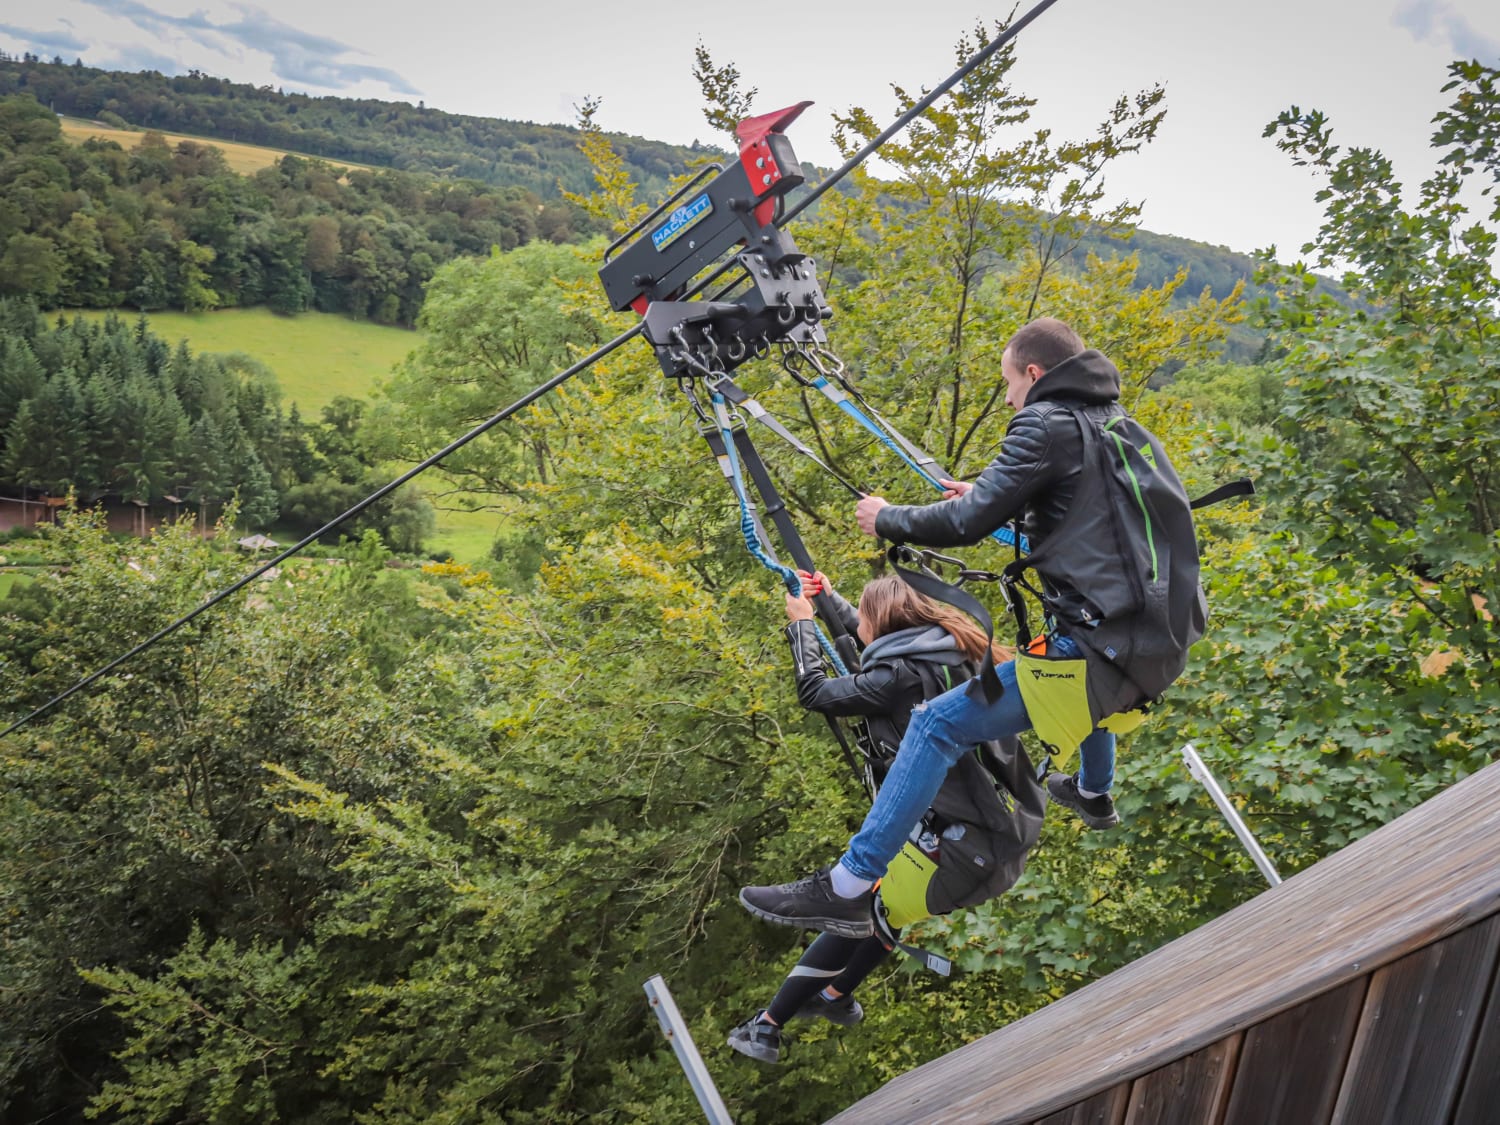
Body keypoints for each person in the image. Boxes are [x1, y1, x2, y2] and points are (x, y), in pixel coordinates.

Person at [739, 316, 1205, 939]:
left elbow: (966, 524)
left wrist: (889, 518)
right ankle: (1095, 791)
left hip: (1101, 647)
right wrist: (1002, 496)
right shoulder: (1119, 427)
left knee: (937, 724)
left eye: (1011, 384)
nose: (1009, 398)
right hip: (1157, 640)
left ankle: (848, 884)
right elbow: (1087, 533)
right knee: (1076, 696)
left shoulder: (1043, 421)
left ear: (1034, 374)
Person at [728, 569, 1045, 1064]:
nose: (859, 625)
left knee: (861, 898)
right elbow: (879, 639)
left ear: (884, 621)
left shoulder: (895, 678)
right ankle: (830, 998)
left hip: (965, 852)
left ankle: (769, 1026)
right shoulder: (956, 655)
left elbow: (815, 692)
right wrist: (830, 599)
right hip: (1000, 839)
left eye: (863, 613)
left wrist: (802, 626)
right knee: (883, 902)